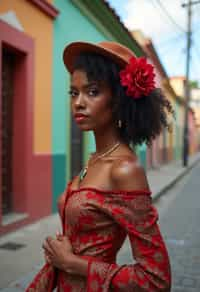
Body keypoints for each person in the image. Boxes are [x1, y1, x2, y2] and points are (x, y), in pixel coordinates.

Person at [26, 41, 172, 291]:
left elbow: (156, 279)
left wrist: (74, 263)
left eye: (92, 92)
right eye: (74, 92)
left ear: (119, 100)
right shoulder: (96, 158)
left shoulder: (124, 169)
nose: (78, 103)